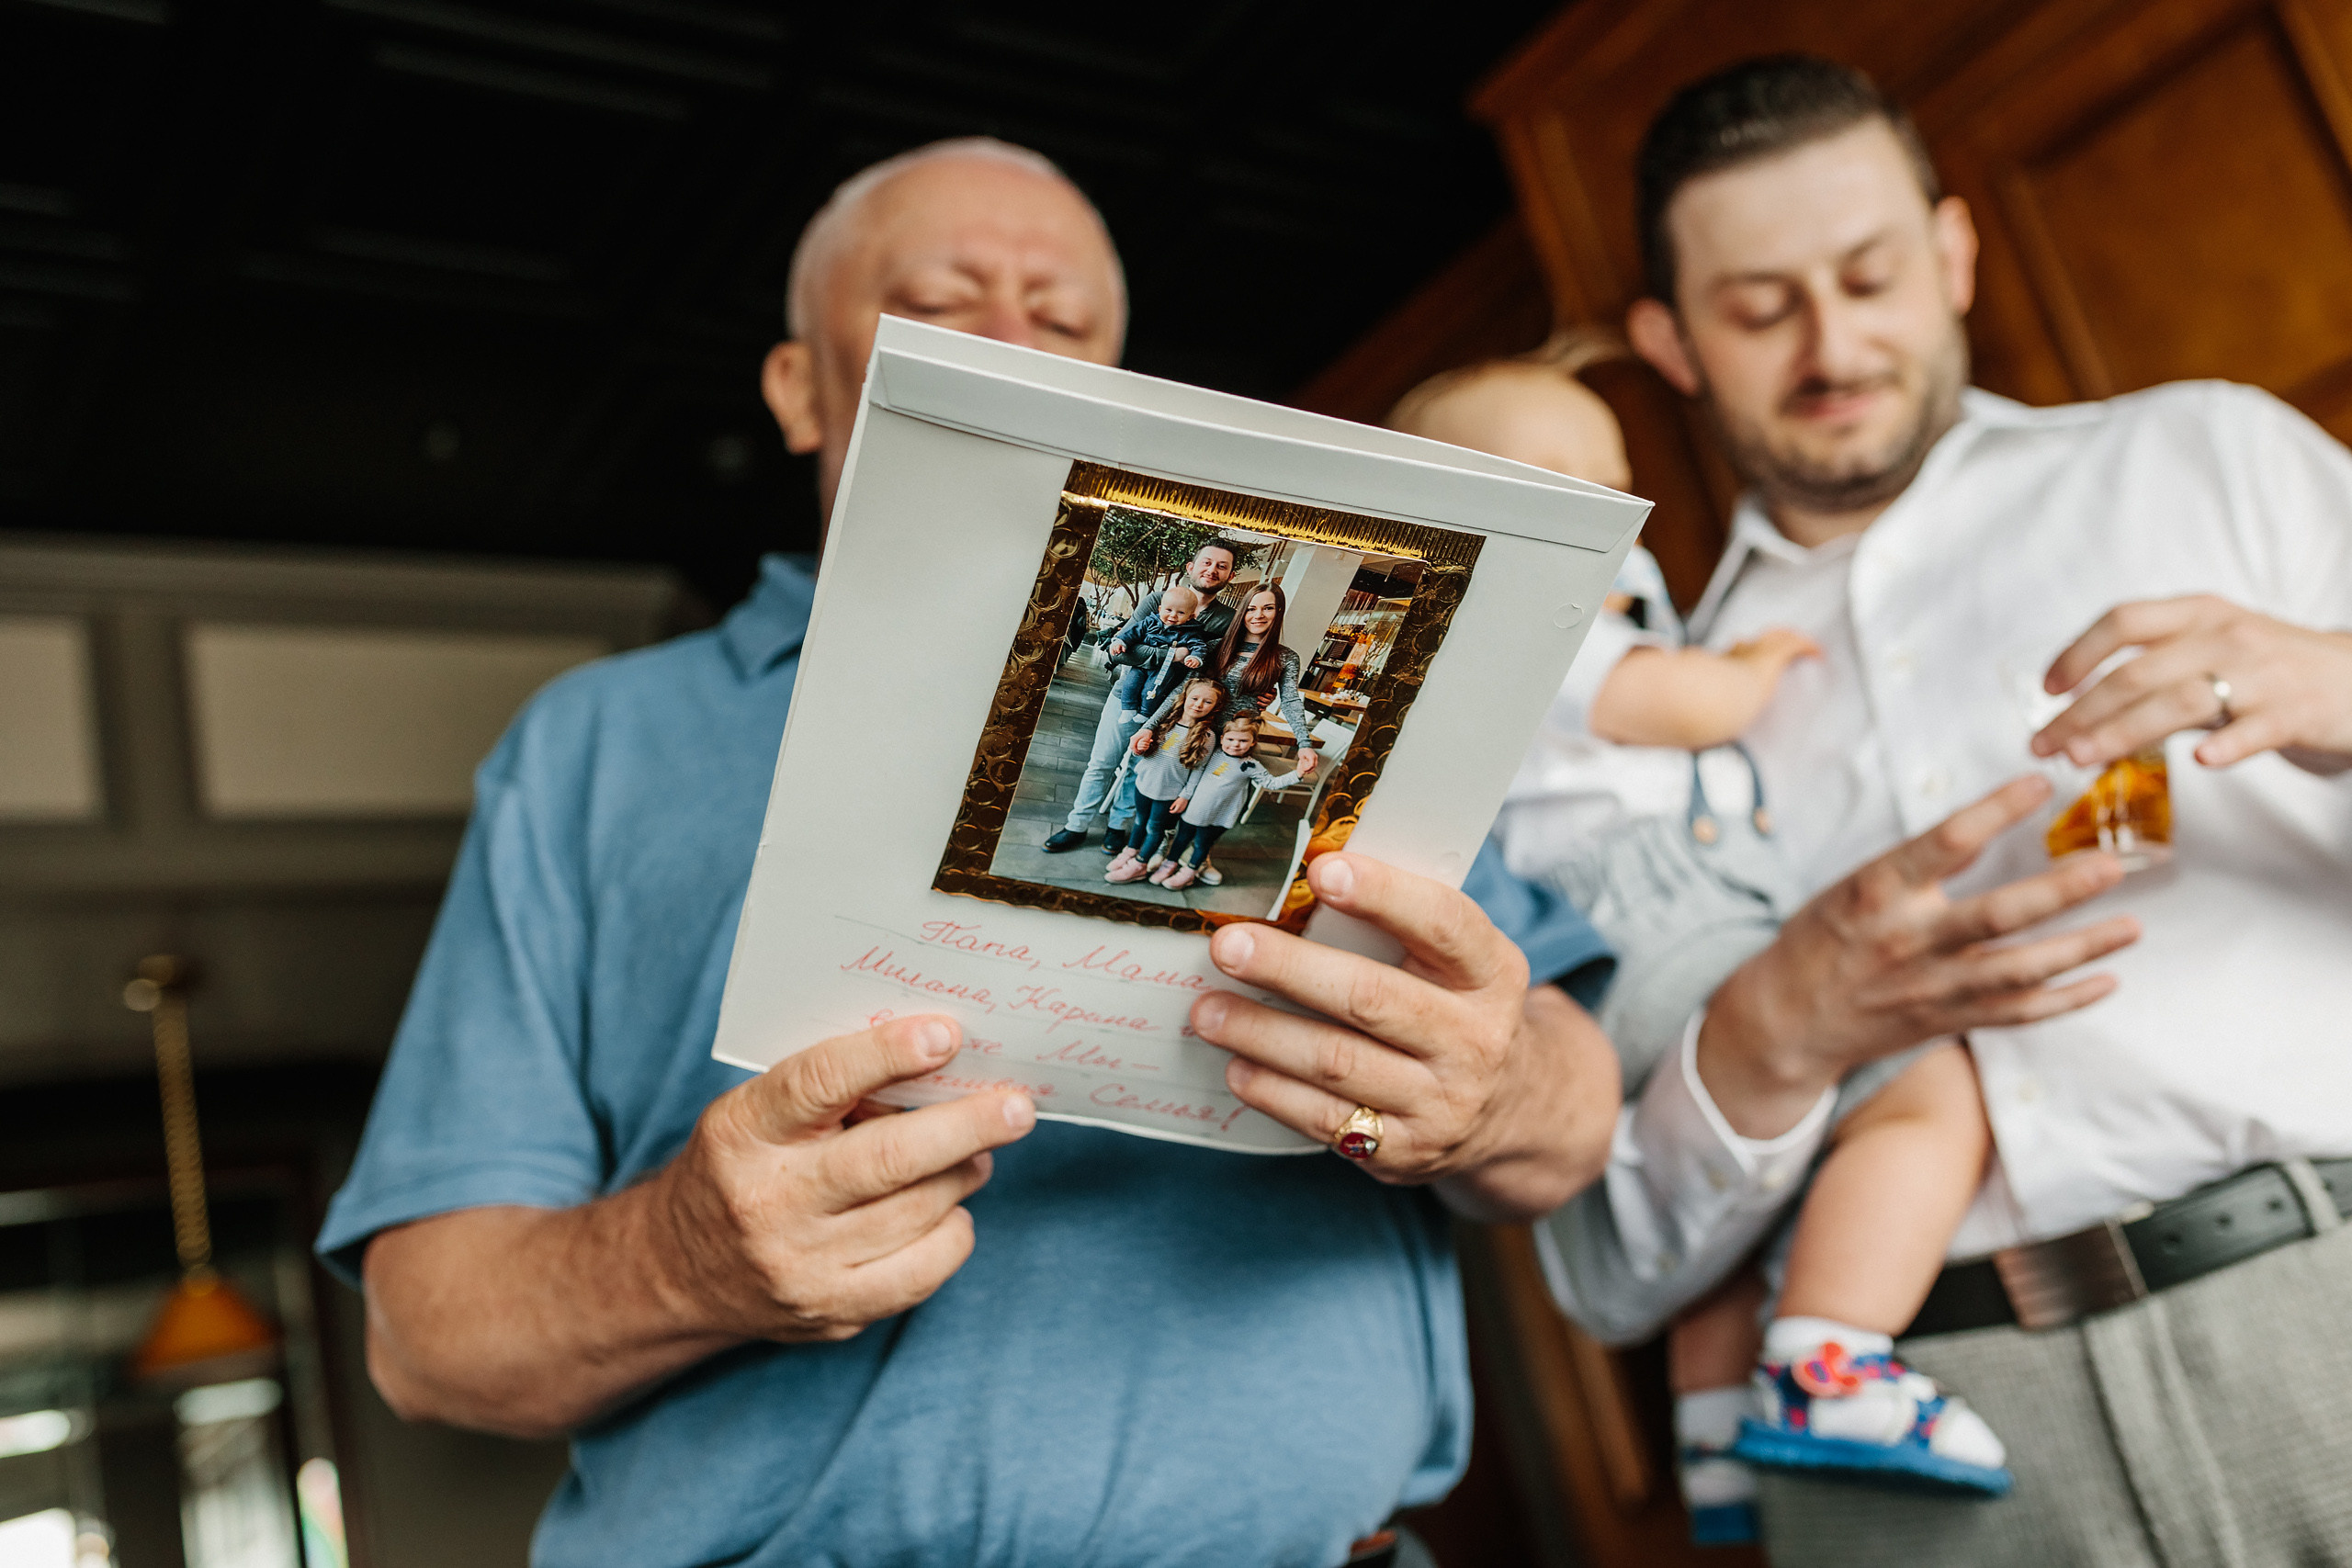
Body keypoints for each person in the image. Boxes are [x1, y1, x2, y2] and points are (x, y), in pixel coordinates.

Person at [319, 135, 1632, 1568]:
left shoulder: (1356, 714)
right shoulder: (592, 747)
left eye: (1065, 325)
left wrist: (1496, 1089)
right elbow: (423, 1337)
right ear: (799, 387)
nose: (1019, 352)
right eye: (944, 306)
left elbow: (1576, 1119)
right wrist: (685, 1259)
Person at [1521, 55, 2352, 1566]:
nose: (1833, 343)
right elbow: (1605, 1278)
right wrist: (1780, 1030)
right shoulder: (1619, 738)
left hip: (2322, 1308)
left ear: (1955, 253)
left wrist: (2338, 680)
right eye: (1763, 307)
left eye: (1870, 273)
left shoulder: (2208, 453)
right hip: (1914, 1448)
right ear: (1671, 340)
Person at [1398, 355, 2007, 1540]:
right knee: (1922, 1085)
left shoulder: (1578, 617)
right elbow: (1675, 707)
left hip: (1631, 938)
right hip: (1658, 912)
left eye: (1613, 482)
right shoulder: (1519, 618)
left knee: (1744, 1211)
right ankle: (1833, 1363)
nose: (1608, 513)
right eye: (1555, 481)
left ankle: (1715, 1436)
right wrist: (1752, 669)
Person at [1044, 539, 1239, 857]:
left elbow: (1213, 667)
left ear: (1230, 575)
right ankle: (1076, 825)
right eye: (1207, 562)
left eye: (1222, 566)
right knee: (1102, 762)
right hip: (1126, 697)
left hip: (1172, 711)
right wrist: (1174, 656)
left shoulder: (1225, 621)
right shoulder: (1156, 600)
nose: (1212, 570)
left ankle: (1117, 826)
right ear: (1191, 567)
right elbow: (1123, 650)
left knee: (1139, 768)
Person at [1134, 581, 1321, 885]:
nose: (1258, 615)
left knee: (1212, 803)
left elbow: (1289, 700)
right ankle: (1166, 847)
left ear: (1279, 613)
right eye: (1251, 608)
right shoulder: (1214, 646)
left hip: (1234, 743)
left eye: (1268, 608)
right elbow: (1184, 691)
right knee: (1179, 795)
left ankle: (1196, 856)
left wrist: (1304, 743)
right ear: (1242, 612)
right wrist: (1148, 726)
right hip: (1199, 737)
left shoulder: (1285, 657)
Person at [1151, 712, 1310, 890]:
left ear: (1253, 743)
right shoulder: (1213, 754)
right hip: (1195, 808)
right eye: (1231, 739)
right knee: (1182, 838)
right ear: (1222, 739)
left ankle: (1189, 872)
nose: (1235, 745)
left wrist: (1297, 774)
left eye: (1243, 741)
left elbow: (1271, 782)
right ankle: (1169, 865)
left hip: (1219, 814)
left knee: (1203, 844)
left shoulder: (1250, 765)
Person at [1107, 676, 1225, 884]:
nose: (1198, 705)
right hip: (1143, 784)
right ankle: (1131, 851)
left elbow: (1199, 770)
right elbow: (1141, 752)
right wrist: (1139, 750)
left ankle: (1140, 865)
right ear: (1185, 696)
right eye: (1195, 698)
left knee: (1155, 829)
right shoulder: (1164, 721)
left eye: (1207, 702)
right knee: (1139, 821)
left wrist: (1185, 796)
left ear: (1215, 707)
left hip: (1169, 793)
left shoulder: (1207, 736)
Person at [1103, 581, 1213, 721]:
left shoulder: (1189, 632)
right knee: (1130, 683)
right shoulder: (1150, 622)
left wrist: (1196, 657)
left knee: (1152, 689)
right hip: (1141, 665)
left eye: (1181, 613)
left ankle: (1145, 713)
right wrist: (1121, 642)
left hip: (1164, 670)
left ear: (1190, 616)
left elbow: (1198, 646)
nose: (1173, 616)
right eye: (1169, 610)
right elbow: (1133, 632)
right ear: (1160, 609)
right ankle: (1128, 708)